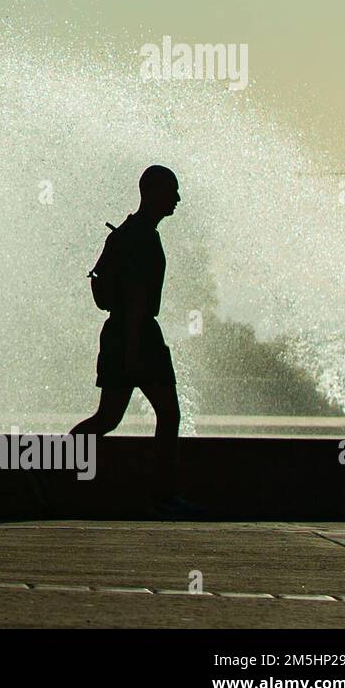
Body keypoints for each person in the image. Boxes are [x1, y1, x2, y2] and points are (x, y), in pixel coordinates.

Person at [71, 164, 200, 517]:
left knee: (107, 418)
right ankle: (163, 497)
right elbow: (136, 299)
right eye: (171, 191)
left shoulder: (128, 231)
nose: (177, 198)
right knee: (168, 415)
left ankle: (57, 477)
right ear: (153, 192)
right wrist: (132, 355)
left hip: (122, 336)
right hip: (137, 337)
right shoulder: (142, 237)